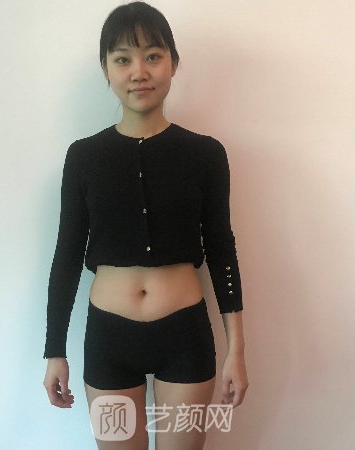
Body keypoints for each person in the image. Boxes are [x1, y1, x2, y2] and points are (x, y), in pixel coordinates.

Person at [42, 2, 249, 449]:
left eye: (153, 56)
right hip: (109, 341)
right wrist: (54, 350)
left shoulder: (206, 154)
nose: (139, 72)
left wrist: (237, 350)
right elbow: (67, 254)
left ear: (173, 63)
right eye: (123, 59)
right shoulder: (84, 157)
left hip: (185, 339)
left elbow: (222, 249)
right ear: (106, 69)